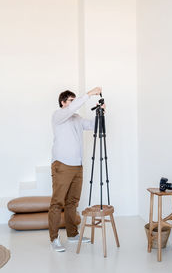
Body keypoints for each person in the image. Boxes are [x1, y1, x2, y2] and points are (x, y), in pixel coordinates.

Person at [48, 87, 102, 252]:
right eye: (71, 100)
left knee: (72, 202)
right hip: (62, 165)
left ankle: (72, 234)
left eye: (74, 100)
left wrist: (101, 113)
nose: (73, 103)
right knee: (58, 203)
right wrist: (89, 94)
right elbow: (73, 107)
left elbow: (94, 126)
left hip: (77, 166)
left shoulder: (77, 118)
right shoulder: (58, 115)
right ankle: (54, 239)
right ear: (63, 103)